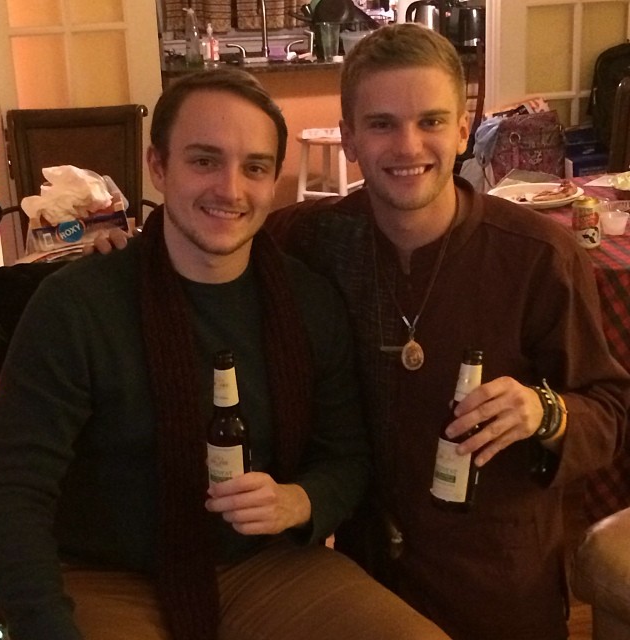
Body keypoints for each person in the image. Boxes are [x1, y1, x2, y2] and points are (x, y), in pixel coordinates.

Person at [0, 69, 450, 640]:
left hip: (264, 564)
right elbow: (13, 490)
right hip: (105, 574)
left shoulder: (307, 300)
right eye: (205, 160)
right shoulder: (78, 306)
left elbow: (347, 456)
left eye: (254, 167)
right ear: (158, 167)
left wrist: (301, 500)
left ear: (273, 180)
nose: (230, 189)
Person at [262, 24, 630, 640]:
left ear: (463, 130)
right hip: (363, 582)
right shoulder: (310, 240)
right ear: (348, 137)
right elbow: (212, 236)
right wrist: (115, 250)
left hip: (499, 584)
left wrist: (543, 411)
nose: (408, 146)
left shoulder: (538, 255)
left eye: (430, 121)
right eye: (381, 124)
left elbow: (612, 411)